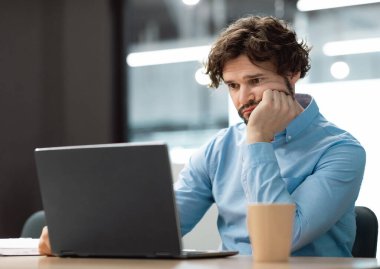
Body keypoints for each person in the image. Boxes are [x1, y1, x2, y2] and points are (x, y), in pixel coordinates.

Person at [39, 15, 366, 257]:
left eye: (255, 80)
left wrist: (258, 141)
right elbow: (161, 226)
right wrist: (82, 237)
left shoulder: (340, 151)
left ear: (292, 74)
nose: (243, 98)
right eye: (234, 86)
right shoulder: (219, 148)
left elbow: (278, 245)